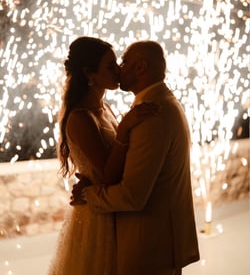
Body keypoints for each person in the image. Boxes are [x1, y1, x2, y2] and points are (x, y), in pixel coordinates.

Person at [72, 40, 200, 275]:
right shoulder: (159, 105)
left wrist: (87, 193)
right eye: (113, 65)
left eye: (123, 62)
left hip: (148, 247)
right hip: (152, 243)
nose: (119, 68)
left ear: (140, 68)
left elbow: (132, 195)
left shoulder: (151, 114)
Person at [48, 36, 158, 275]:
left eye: (116, 63)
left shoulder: (104, 108)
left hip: (111, 207)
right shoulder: (80, 118)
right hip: (97, 219)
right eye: (110, 65)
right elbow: (108, 174)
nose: (118, 69)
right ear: (90, 74)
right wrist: (127, 127)